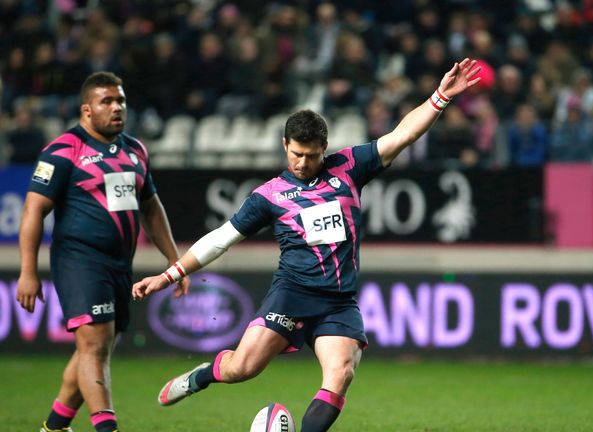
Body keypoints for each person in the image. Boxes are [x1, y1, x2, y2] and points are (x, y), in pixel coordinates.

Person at [132, 58, 481, 432]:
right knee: (242, 369)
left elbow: (401, 136)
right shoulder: (269, 196)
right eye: (296, 153)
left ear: (324, 148)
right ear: (285, 145)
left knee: (341, 373)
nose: (302, 162)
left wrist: (440, 97)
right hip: (291, 294)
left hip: (337, 300)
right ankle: (203, 376)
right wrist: (170, 274)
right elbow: (221, 239)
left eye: (311, 155)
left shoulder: (349, 166)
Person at [16, 71, 189, 432]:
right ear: (86, 110)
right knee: (95, 344)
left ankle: (54, 426)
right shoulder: (63, 150)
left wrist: (175, 260)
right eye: (106, 101)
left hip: (119, 264)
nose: (116, 108)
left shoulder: (135, 150)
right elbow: (33, 209)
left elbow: (152, 208)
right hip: (79, 259)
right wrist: (27, 271)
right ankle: (106, 428)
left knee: (94, 348)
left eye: (120, 101)